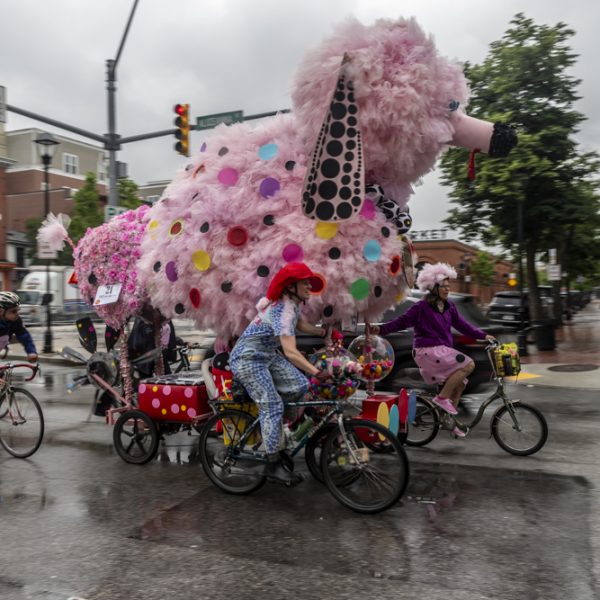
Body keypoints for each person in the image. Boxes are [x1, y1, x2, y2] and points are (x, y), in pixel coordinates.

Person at [230, 262, 329, 485]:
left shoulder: (291, 305)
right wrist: (317, 372)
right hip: (248, 359)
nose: (308, 286)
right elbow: (291, 352)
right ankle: (272, 462)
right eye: (304, 282)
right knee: (272, 405)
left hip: (266, 355)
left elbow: (301, 325)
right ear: (290, 286)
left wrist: (323, 331)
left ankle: (275, 430)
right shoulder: (282, 311)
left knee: (300, 386)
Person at [371, 263, 495, 438]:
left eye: (448, 286)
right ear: (433, 287)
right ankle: (442, 398)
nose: (447, 289)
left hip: (442, 351)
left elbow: (463, 326)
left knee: (459, 384)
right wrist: (381, 329)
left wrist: (482, 335)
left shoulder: (450, 306)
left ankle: (448, 421)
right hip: (426, 351)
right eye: (443, 286)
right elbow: (401, 322)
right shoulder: (421, 308)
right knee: (468, 365)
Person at [0, 291, 38, 363]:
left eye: (18, 310)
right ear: (1, 311)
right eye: (14, 311)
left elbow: (24, 336)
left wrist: (31, 352)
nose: (17, 314)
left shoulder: (16, 321)